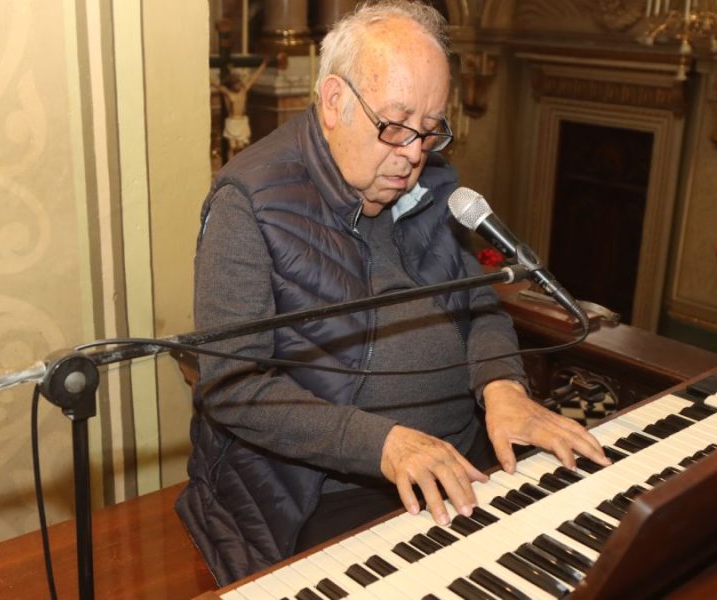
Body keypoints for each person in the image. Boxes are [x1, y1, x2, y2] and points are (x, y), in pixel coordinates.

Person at [176, 0, 609, 586]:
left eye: (430, 129)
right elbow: (232, 386)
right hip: (332, 487)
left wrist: (502, 385)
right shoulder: (248, 204)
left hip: (465, 449)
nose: (414, 154)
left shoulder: (428, 176)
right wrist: (384, 445)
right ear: (334, 102)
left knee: (596, 546)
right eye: (396, 125)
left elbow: (478, 301)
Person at [213, 59, 270, 157]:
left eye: (239, 83)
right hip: (232, 121)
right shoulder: (229, 93)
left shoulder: (243, 92)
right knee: (232, 147)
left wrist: (263, 65)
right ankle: (230, 168)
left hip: (242, 121)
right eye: (235, 83)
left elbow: (253, 79)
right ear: (232, 84)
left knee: (242, 146)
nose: (238, 85)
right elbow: (217, 86)